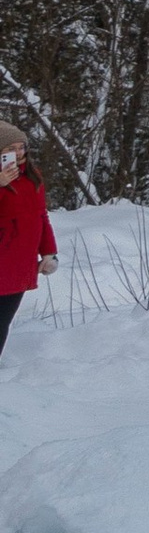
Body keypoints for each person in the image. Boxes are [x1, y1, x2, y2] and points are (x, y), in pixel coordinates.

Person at [0, 127, 57, 359]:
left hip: (20, 260)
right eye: (11, 149)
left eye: (21, 147)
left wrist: (49, 252)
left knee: (3, 320)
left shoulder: (33, 175)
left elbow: (40, 215)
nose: (19, 152)